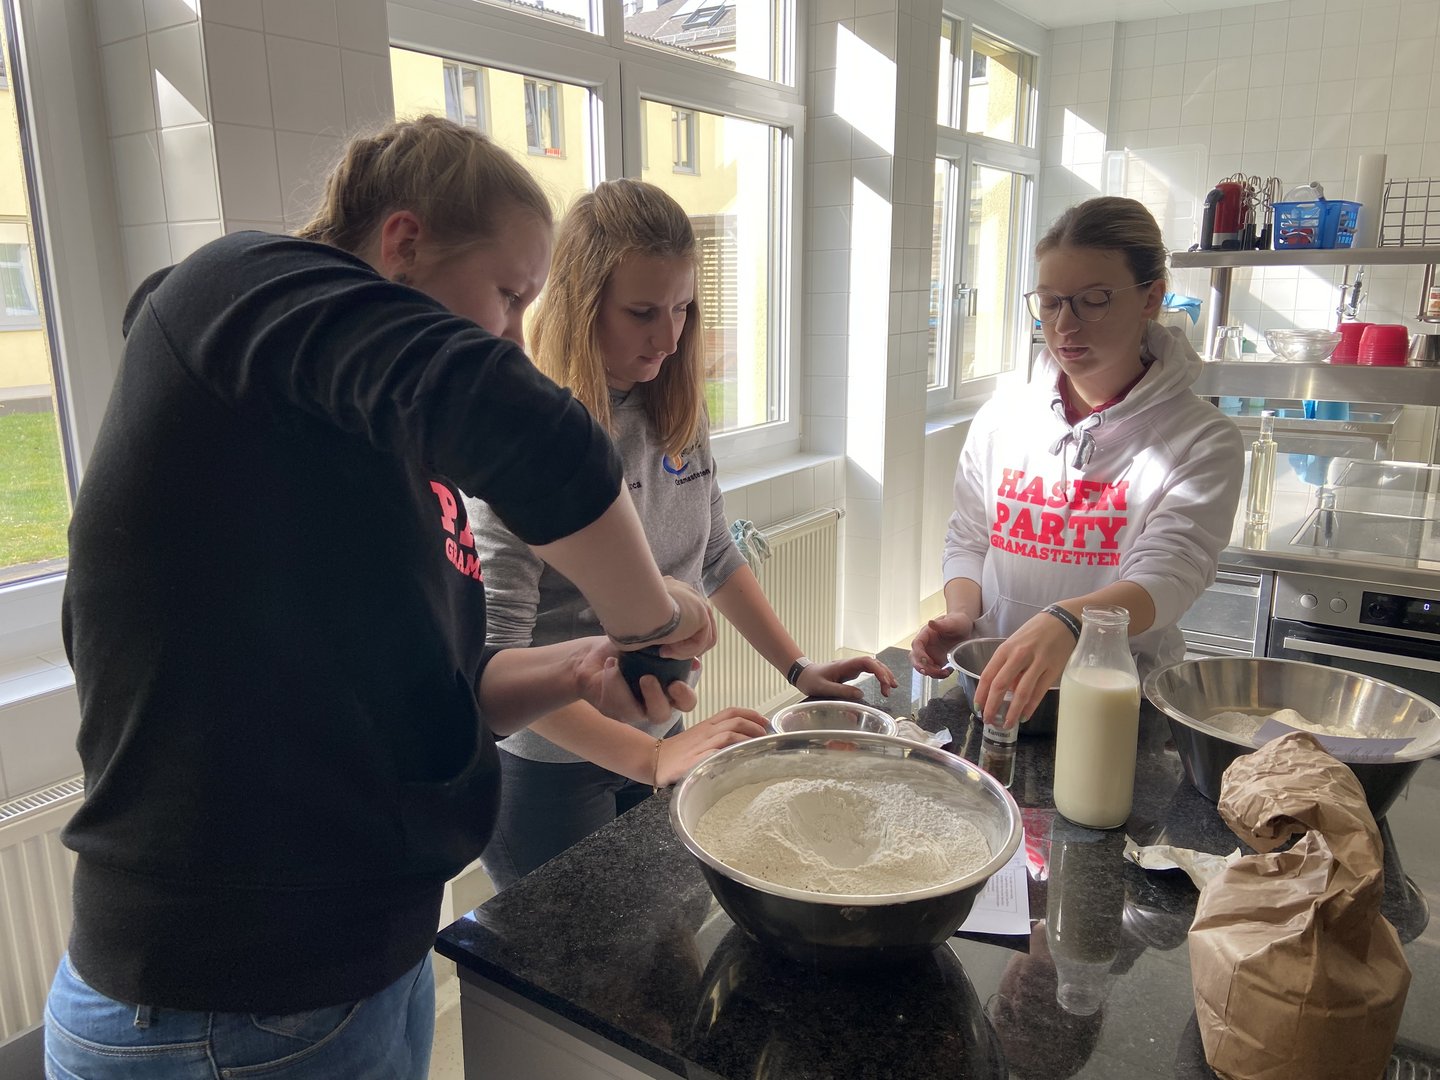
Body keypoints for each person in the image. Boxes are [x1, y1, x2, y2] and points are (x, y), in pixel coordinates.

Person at [45, 117, 717, 1080]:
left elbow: (447, 687)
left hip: (358, 968)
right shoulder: (231, 287)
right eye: (508, 294)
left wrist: (580, 666)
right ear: (402, 241)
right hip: (226, 1001)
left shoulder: (371, 461)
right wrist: (653, 617)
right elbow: (540, 436)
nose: (512, 332)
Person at [467, 178, 897, 889]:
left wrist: (798, 670)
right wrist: (646, 759)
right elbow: (496, 660)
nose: (668, 338)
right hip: (551, 770)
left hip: (663, 735)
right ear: (580, 305)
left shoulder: (675, 409)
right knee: (581, 955)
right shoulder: (524, 434)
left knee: (662, 936)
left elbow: (716, 554)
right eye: (642, 312)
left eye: (683, 309)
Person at [911, 195, 1242, 728]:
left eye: (1093, 300)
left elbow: (1169, 576)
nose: (1065, 325)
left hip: (1119, 702)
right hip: (994, 686)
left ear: (1151, 297)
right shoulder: (1001, 420)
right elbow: (969, 539)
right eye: (1049, 302)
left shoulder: (1200, 439)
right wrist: (963, 614)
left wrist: (1068, 621)